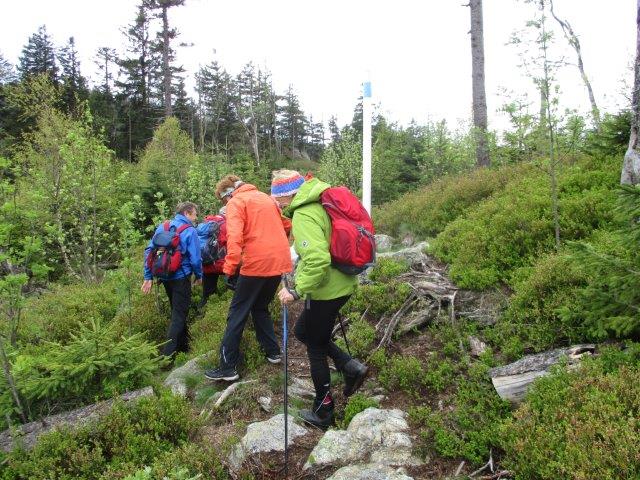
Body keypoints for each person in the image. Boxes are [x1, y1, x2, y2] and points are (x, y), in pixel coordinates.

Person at [274, 170, 368, 429]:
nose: (277, 203)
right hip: (342, 282)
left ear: (287, 195)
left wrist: (296, 291)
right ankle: (349, 367)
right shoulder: (322, 201)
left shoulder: (304, 214)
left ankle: (324, 411)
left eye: (278, 198)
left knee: (315, 346)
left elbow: (317, 260)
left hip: (326, 290)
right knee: (304, 331)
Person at [204, 175, 292, 382]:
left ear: (227, 194)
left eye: (223, 200)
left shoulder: (236, 202)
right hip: (278, 262)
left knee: (237, 314)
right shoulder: (267, 198)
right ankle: (273, 352)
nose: (225, 203)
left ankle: (227, 368)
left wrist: (229, 268)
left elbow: (234, 238)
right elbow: (287, 225)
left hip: (255, 264)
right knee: (260, 307)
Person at [141, 202, 202, 359]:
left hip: (165, 276)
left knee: (177, 311)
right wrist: (199, 275)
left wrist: (148, 276)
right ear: (187, 213)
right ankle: (167, 357)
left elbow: (149, 251)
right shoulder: (190, 230)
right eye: (195, 214)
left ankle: (184, 347)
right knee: (179, 315)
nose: (196, 218)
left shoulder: (164, 226)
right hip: (181, 277)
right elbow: (195, 258)